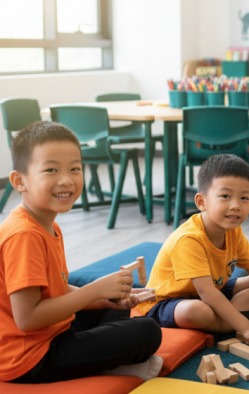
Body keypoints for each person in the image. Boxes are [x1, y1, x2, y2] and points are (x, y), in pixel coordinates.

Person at [0, 121, 162, 384]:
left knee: (114, 302)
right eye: (50, 170)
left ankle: (102, 355)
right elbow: (27, 319)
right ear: (20, 181)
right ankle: (109, 366)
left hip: (52, 333)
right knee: (147, 331)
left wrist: (106, 298)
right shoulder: (24, 235)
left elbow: (58, 289)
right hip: (30, 357)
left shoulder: (46, 224)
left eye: (75, 168)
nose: (66, 180)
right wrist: (96, 290)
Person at [138, 154, 249, 338]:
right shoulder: (188, 239)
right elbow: (207, 293)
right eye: (225, 196)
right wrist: (247, 328)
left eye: (244, 198)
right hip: (170, 302)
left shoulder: (233, 231)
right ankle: (232, 324)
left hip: (214, 290)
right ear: (202, 202)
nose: (235, 205)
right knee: (196, 310)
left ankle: (227, 319)